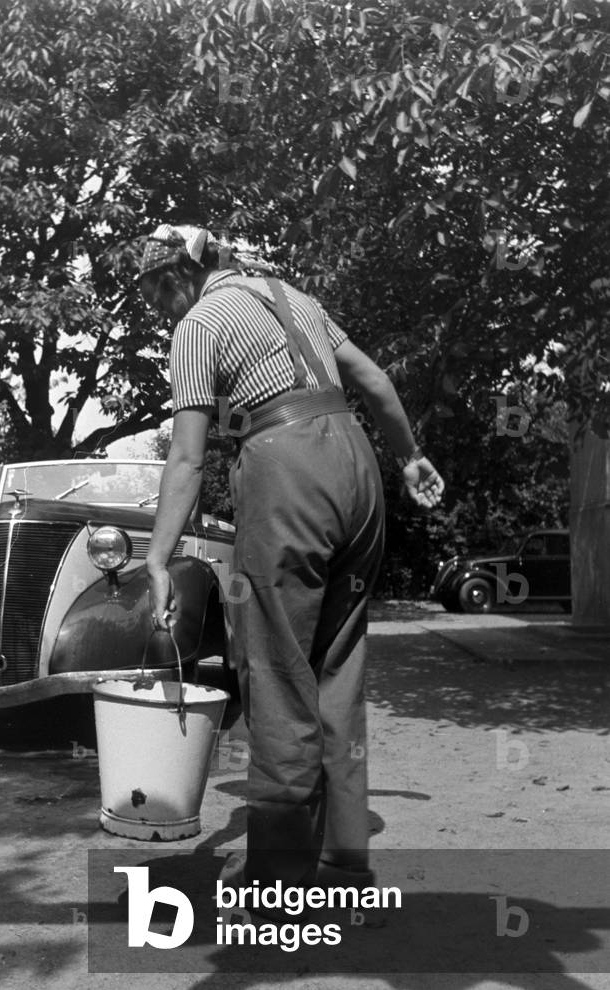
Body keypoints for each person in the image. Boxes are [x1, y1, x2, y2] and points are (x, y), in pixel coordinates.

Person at [140, 223, 444, 909]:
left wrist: (158, 558)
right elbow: (373, 378)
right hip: (356, 467)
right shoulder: (292, 296)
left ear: (175, 278)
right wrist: (409, 457)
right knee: (337, 666)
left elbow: (186, 458)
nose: (158, 308)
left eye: (154, 292)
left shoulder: (197, 325)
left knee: (275, 668)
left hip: (288, 468)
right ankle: (342, 861)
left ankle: (278, 882)